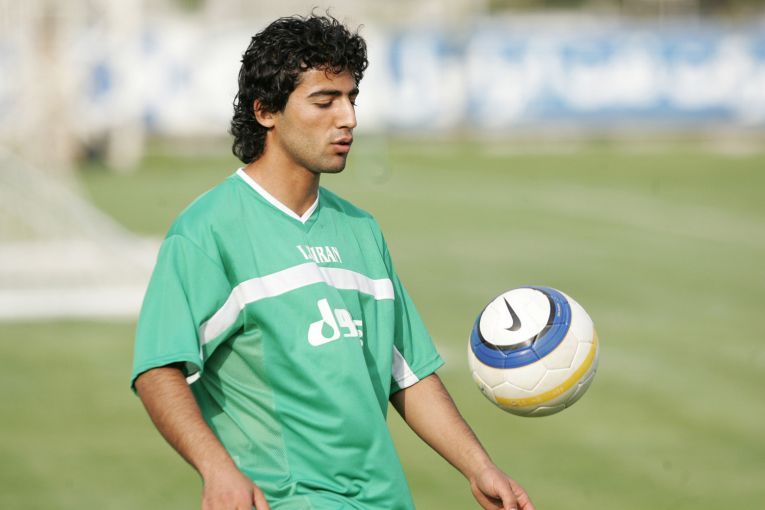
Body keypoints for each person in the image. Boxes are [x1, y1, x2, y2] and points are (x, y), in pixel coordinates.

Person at [131, 13, 535, 510]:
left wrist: (479, 466)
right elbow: (158, 368)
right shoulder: (207, 230)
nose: (348, 118)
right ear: (266, 111)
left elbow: (407, 372)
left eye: (350, 98)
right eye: (325, 101)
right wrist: (216, 469)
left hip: (386, 500)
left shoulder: (361, 230)